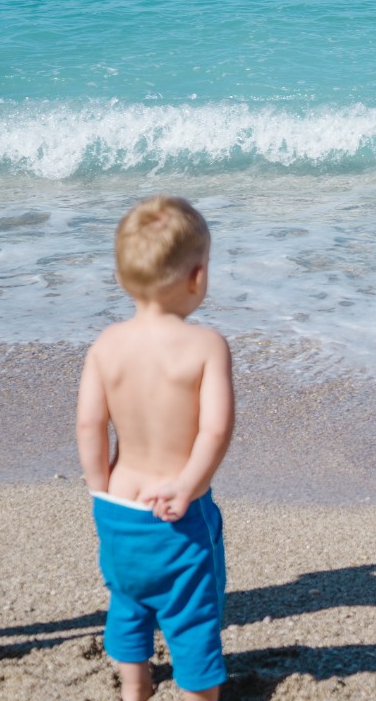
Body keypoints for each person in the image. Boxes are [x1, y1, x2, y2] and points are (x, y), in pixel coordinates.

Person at [76, 196, 235, 701]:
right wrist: (188, 485)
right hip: (177, 512)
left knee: (129, 601)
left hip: (118, 506)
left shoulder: (106, 345)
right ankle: (197, 694)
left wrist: (100, 485)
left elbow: (89, 424)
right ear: (198, 276)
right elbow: (215, 431)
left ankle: (134, 687)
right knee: (192, 614)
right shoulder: (205, 345)